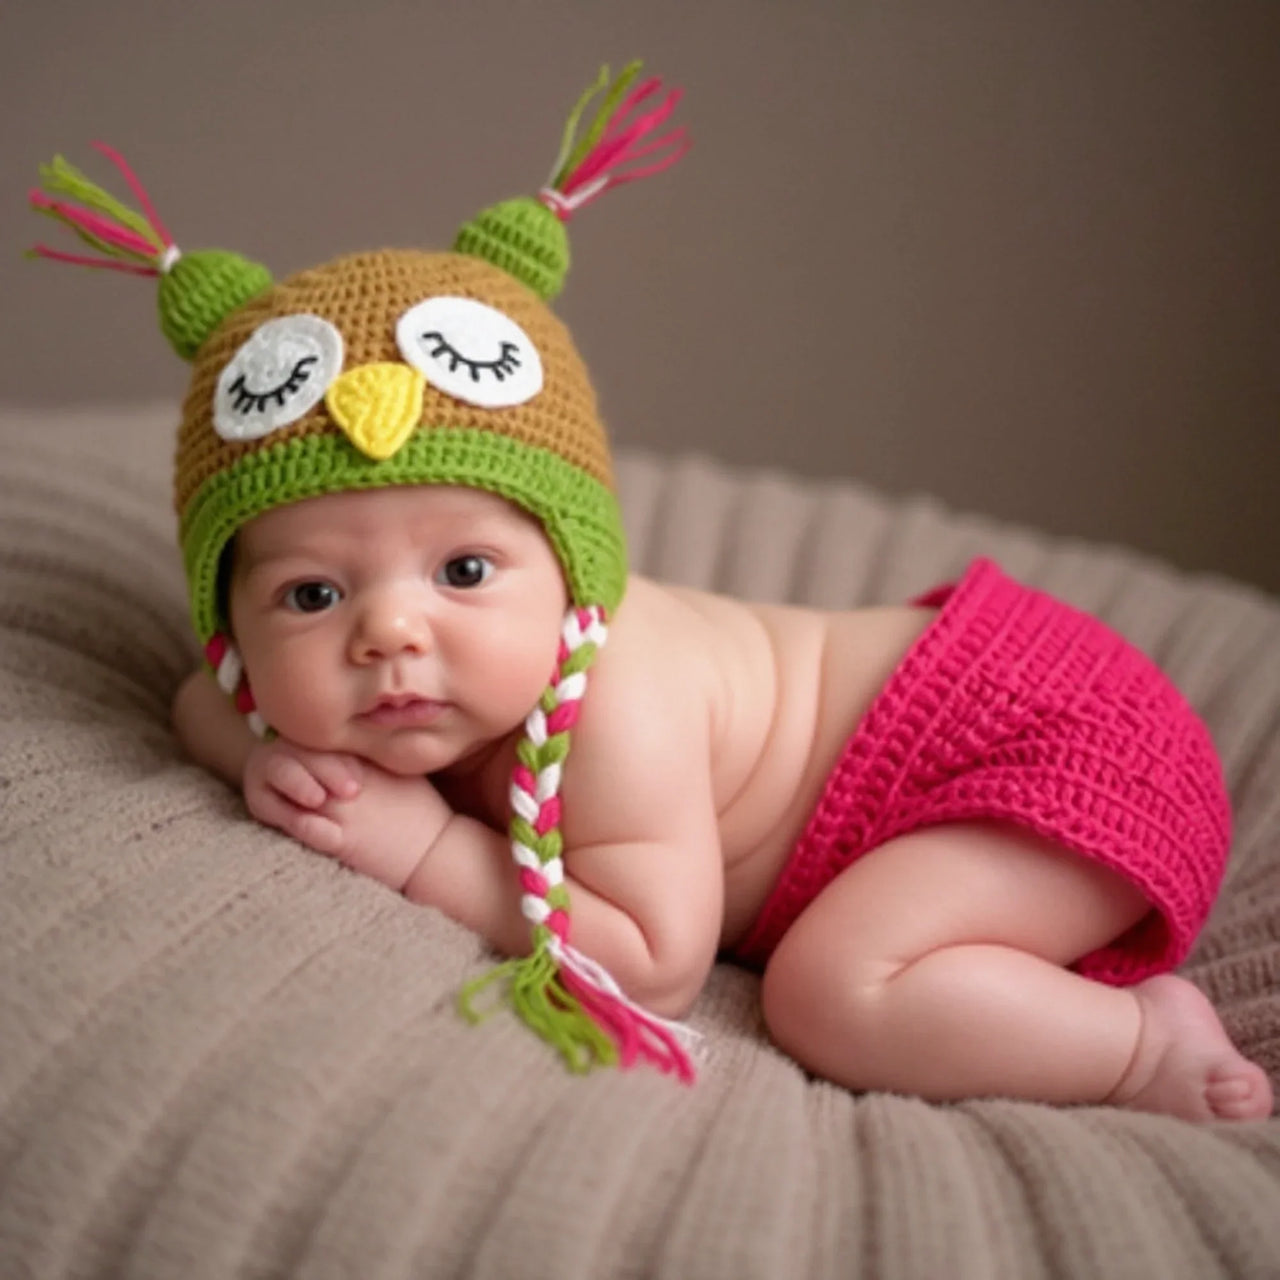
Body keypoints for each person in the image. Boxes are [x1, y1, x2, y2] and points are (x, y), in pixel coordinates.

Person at [31, 66, 1272, 1122]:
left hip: (1037, 739)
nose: (390, 631)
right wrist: (249, 746)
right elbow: (211, 702)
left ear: (570, 567)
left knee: (835, 993)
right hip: (969, 724)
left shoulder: (609, 699)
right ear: (232, 623)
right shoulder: (315, 681)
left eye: (464, 571)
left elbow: (653, 958)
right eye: (308, 595)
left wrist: (426, 852)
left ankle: (1139, 1044)